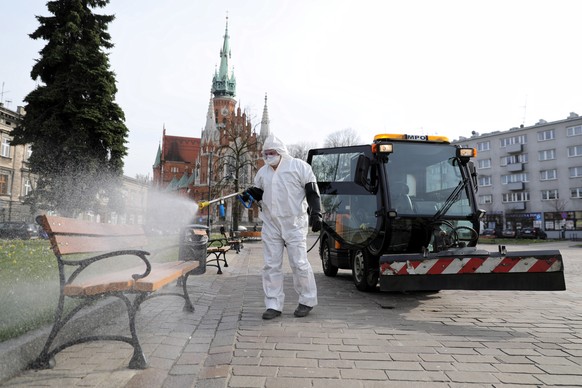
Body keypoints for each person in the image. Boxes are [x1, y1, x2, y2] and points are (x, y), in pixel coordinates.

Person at [243, 134, 322, 319]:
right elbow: (259, 194)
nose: (268, 156)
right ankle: (273, 304)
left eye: (271, 152)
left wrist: (316, 213)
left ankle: (307, 300)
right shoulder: (263, 173)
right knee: (271, 265)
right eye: (265, 153)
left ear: (280, 152)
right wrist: (252, 195)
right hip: (271, 223)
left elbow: (312, 191)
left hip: (294, 222)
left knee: (299, 263)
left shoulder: (299, 167)